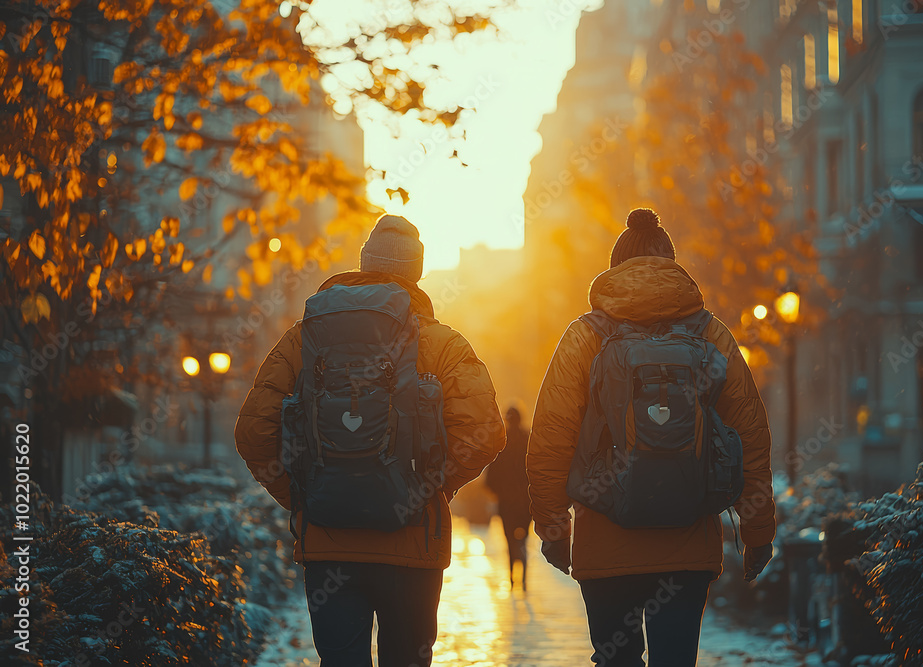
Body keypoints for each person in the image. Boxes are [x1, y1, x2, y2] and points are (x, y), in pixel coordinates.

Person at [235, 214, 506, 667]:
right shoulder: (441, 343)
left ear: (362, 265)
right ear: (417, 273)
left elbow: (253, 431)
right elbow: (485, 431)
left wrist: (305, 494)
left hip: (329, 542)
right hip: (413, 545)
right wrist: (432, 486)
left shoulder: (305, 339)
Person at [527, 208, 775, 667]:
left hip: (605, 542)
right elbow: (750, 437)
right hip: (687, 545)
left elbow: (551, 439)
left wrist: (553, 526)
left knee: (616, 659)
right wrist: (758, 530)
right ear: (673, 265)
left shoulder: (586, 336)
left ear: (615, 268)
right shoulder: (710, 333)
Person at [485, 404, 532, 590]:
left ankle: (513, 580)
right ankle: (524, 579)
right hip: (526, 502)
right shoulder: (529, 440)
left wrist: (500, 492)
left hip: (506, 502)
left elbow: (489, 478)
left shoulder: (500, 443)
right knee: (523, 539)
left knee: (510, 539)